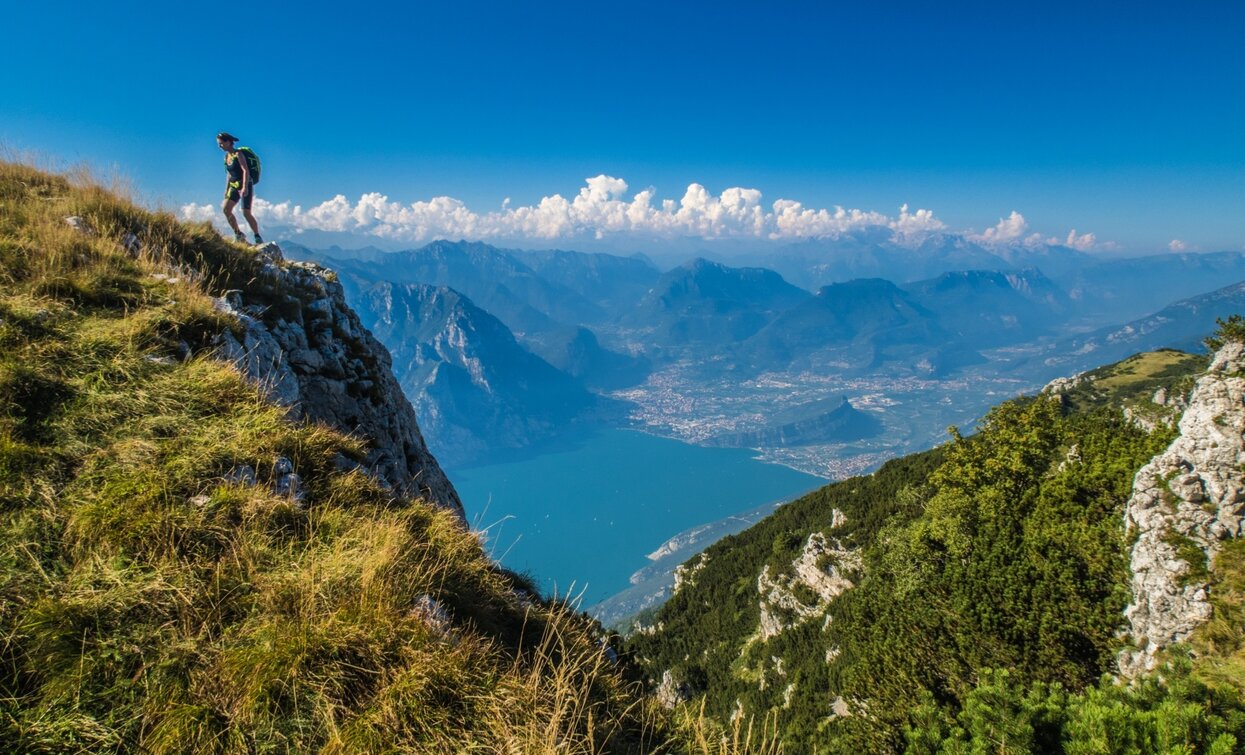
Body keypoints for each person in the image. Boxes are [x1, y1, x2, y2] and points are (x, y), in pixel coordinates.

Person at [217, 132, 263, 244]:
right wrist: (226, 189)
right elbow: (229, 174)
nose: (220, 146)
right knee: (226, 210)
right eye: (219, 144)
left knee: (246, 212)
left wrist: (245, 187)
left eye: (221, 143)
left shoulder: (239, 154)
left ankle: (257, 236)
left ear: (228, 142)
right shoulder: (226, 157)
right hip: (233, 185)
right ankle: (238, 234)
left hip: (245, 185)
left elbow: (245, 170)